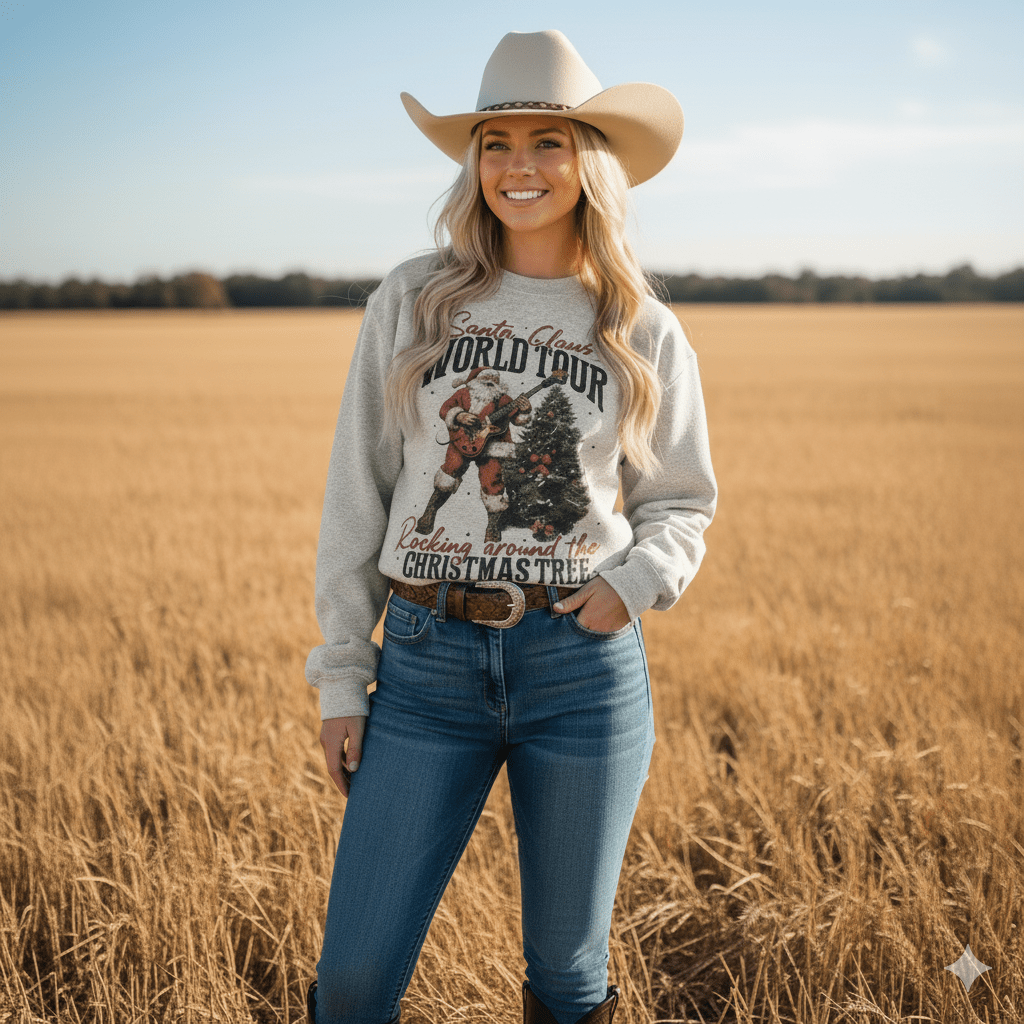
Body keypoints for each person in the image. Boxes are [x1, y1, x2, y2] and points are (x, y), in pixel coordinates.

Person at [304, 29, 717, 1024]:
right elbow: (357, 488)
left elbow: (681, 501)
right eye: (495, 142)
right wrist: (337, 671)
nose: (517, 166)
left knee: (568, 981)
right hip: (422, 664)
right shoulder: (413, 298)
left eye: (547, 141)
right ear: (473, 159)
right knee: (354, 984)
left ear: (590, 161)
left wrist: (631, 582)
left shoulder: (638, 325)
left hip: (579, 669)